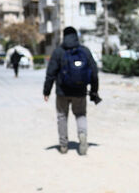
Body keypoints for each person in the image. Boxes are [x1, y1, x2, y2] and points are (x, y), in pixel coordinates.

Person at [42, 27, 99, 155]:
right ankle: (82, 135)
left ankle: (63, 145)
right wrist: (94, 92)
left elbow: (50, 73)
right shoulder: (84, 51)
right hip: (80, 91)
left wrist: (46, 91)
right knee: (80, 114)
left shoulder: (58, 52)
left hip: (62, 92)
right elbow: (94, 73)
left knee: (62, 116)